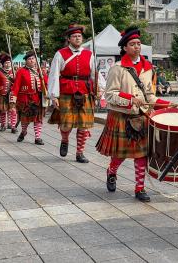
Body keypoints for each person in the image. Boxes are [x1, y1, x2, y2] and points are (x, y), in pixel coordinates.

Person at [96, 26, 170, 202]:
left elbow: (150, 95)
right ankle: (112, 171)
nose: (137, 46)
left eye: (138, 43)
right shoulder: (117, 68)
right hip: (122, 116)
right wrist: (129, 99)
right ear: (124, 48)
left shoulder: (148, 68)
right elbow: (110, 95)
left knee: (142, 155)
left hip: (142, 116)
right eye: (132, 44)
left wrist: (164, 105)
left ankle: (139, 188)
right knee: (120, 154)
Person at [48, 24, 95, 163]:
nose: (77, 38)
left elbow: (94, 74)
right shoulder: (60, 53)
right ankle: (64, 139)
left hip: (85, 92)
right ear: (69, 39)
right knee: (66, 124)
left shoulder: (89, 54)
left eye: (79, 36)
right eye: (74, 36)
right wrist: (54, 96)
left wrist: (99, 90)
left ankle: (79, 153)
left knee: (83, 125)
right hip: (67, 91)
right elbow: (54, 75)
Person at [11, 51, 47, 145]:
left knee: (38, 119)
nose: (31, 60)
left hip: (38, 98)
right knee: (25, 120)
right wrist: (13, 101)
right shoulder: (21, 71)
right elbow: (16, 86)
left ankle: (37, 137)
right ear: (26, 61)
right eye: (29, 59)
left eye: (33, 58)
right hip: (25, 99)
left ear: (36, 60)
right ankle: (23, 131)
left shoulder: (40, 71)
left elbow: (46, 84)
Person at [0, 53, 17, 132]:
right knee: (3, 111)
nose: (7, 64)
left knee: (13, 110)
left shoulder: (14, 71)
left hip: (12, 94)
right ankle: (3, 124)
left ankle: (13, 126)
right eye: (6, 63)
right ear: (3, 64)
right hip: (3, 94)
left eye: (9, 62)